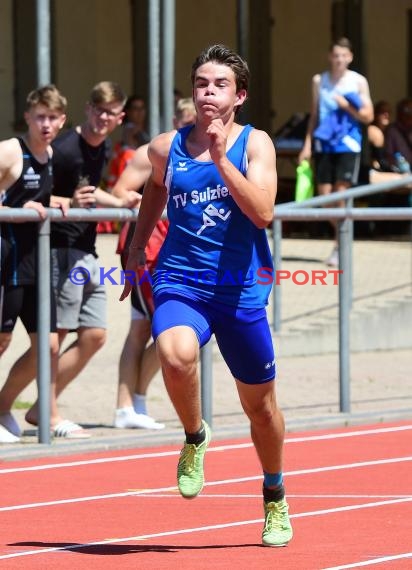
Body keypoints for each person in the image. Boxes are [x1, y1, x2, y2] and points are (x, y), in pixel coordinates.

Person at [120, 44, 293, 547]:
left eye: (218, 85)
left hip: (240, 289)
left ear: (239, 95)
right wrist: (135, 249)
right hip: (181, 279)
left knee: (260, 409)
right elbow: (155, 188)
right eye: (200, 83)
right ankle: (196, 436)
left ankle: (275, 492)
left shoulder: (255, 144)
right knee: (174, 355)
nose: (207, 92)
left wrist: (220, 159)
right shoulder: (166, 146)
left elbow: (262, 213)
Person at [23, 81, 140, 439]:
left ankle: (40, 406)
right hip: (60, 249)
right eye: (98, 110)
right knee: (52, 340)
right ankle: (42, 412)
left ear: (119, 118)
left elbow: (86, 190)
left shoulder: (100, 146)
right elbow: (43, 191)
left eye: (110, 113)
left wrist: (118, 203)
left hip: (86, 250)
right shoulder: (64, 147)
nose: (103, 118)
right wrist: (66, 200)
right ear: (87, 110)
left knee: (95, 335)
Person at [112, 98, 196, 430]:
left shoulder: (204, 153)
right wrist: (133, 199)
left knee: (140, 329)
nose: (191, 124)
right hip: (148, 252)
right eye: (185, 118)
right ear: (175, 118)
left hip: (174, 252)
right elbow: (120, 189)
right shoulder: (156, 151)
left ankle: (129, 405)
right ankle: (132, 401)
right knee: (167, 332)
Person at [0, 85, 68, 443]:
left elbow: (35, 196)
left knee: (50, 345)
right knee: (2, 339)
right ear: (27, 117)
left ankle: (3, 405)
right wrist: (14, 212)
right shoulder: (11, 151)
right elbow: (15, 199)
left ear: (61, 120)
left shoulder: (51, 155)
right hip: (5, 260)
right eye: (39, 116)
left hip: (35, 262)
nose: (46, 124)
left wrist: (64, 201)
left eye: (52, 117)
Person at [298, 37, 373, 266]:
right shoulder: (319, 80)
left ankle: (339, 245)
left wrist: (347, 106)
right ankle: (344, 232)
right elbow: (314, 113)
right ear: (330, 56)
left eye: (344, 55)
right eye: (336, 55)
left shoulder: (358, 81)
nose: (339, 59)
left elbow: (368, 117)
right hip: (323, 142)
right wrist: (307, 144)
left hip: (348, 144)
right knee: (325, 198)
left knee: (341, 193)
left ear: (350, 57)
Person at [384, 98, 412, 169]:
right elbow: (389, 155)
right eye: (407, 111)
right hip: (401, 171)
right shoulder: (392, 131)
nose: (409, 114)